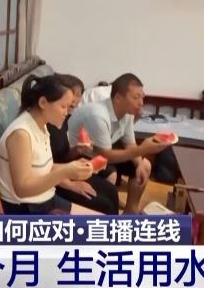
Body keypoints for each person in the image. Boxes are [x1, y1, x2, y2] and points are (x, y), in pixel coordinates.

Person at [67, 73, 171, 214]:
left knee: (144, 166)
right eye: (136, 97)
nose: (141, 103)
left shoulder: (127, 114)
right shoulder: (98, 115)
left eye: (142, 97)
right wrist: (143, 149)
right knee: (112, 180)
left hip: (100, 151)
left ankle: (131, 211)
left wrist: (140, 164)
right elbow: (106, 156)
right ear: (117, 98)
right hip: (76, 155)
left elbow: (130, 144)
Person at [0, 74, 96, 214]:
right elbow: (22, 189)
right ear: (43, 103)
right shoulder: (21, 135)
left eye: (69, 107)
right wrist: (65, 172)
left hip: (45, 198)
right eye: (63, 106)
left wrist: (73, 166)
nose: (66, 113)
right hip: (27, 208)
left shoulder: (41, 125)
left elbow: (44, 167)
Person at [49, 74, 120, 215]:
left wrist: (77, 150)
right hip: (55, 181)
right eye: (72, 94)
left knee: (111, 191)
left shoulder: (64, 119)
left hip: (67, 171)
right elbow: (44, 168)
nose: (75, 100)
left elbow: (63, 155)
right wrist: (72, 184)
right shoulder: (45, 124)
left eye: (79, 95)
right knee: (104, 204)